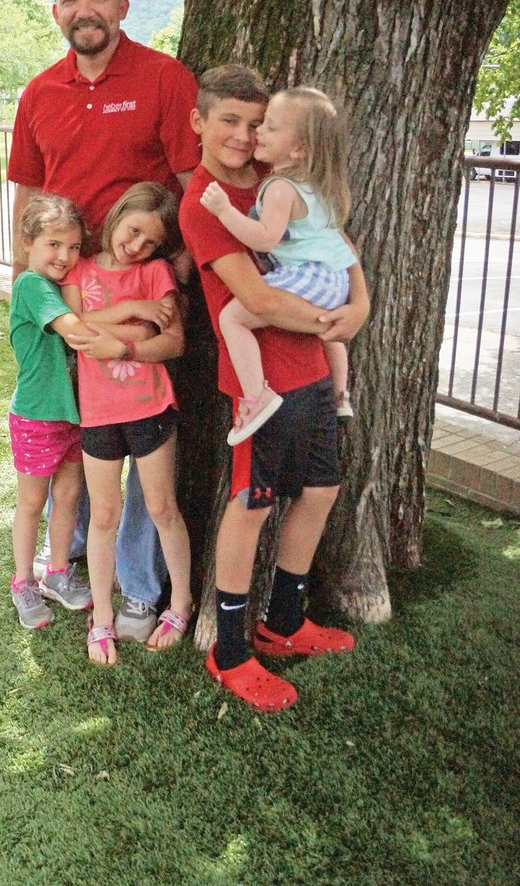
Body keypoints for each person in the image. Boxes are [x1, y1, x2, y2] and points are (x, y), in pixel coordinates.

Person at [7, 0, 200, 641]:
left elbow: (192, 182)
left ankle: (143, 586)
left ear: (121, 8)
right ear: (56, 12)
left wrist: (173, 271)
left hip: (141, 288)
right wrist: (25, 280)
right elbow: (28, 194)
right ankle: (80, 562)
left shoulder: (163, 79)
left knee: (142, 422)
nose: (83, 10)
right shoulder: (39, 92)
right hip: (67, 292)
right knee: (82, 433)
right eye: (69, 0)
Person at [179, 64, 369, 711]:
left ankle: (284, 623)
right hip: (259, 386)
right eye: (228, 120)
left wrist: (360, 307)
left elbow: (339, 245)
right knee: (253, 502)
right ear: (200, 122)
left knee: (321, 488)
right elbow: (254, 296)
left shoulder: (278, 177)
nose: (242, 134)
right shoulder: (203, 203)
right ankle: (229, 650)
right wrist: (329, 319)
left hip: (316, 370)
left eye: (255, 123)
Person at [62, 183, 192, 665]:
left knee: (161, 508)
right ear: (117, 216)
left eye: (151, 242)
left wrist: (122, 344)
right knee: (103, 516)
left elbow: (173, 342)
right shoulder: (80, 269)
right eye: (134, 231)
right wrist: (135, 318)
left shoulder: (157, 273)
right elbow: (72, 329)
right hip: (98, 413)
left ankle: (179, 602)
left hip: (150, 408)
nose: (137, 247)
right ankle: (101, 618)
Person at [200, 87, 356, 445]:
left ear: (298, 149)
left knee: (233, 318)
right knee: (326, 328)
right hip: (334, 279)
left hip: (307, 276)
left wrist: (225, 211)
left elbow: (266, 238)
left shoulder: (280, 188)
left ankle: (256, 396)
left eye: (269, 127)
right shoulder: (316, 186)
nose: (258, 133)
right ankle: (340, 394)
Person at [8, 193, 94, 629]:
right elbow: (75, 331)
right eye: (54, 245)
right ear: (28, 243)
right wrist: (134, 312)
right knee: (31, 502)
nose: (65, 256)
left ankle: (57, 572)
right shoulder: (31, 285)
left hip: (72, 416)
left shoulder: (61, 287)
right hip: (37, 416)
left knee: (69, 498)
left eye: (74, 247)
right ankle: (23, 580)